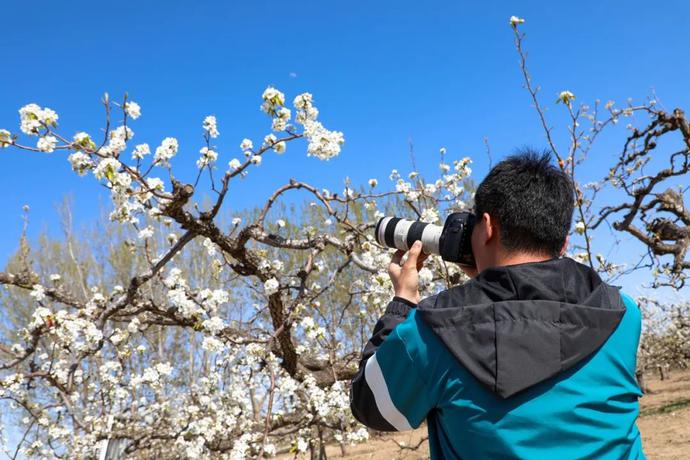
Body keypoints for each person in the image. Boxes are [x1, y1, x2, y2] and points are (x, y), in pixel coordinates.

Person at [350, 150, 645, 459]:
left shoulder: (433, 332)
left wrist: (403, 301)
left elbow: (371, 404)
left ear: (488, 226)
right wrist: (497, 282)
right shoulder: (622, 313)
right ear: (564, 243)